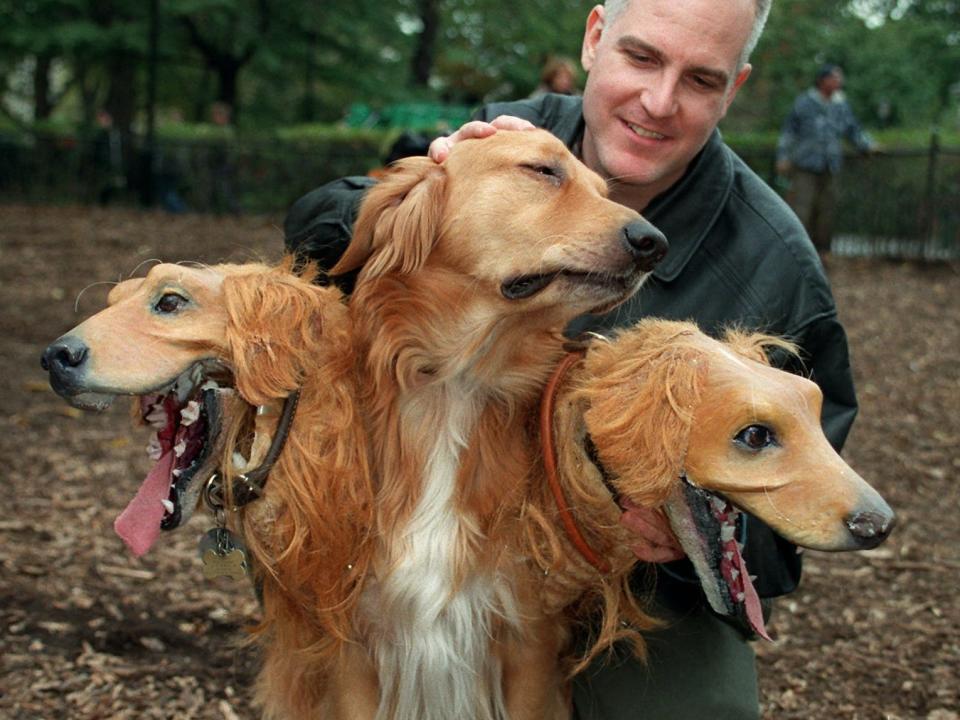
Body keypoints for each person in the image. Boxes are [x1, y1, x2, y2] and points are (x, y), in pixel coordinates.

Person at [282, 1, 858, 717]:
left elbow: (787, 527)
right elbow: (319, 238)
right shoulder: (506, 134)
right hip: (413, 489)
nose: (658, 101)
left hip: (625, 574)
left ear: (733, 89)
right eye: (642, 58)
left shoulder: (776, 268)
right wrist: (431, 182)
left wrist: (696, 538)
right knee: (304, 546)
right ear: (594, 38)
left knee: (697, 709)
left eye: (701, 80)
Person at [777, 64, 878, 257]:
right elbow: (788, 132)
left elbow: (852, 130)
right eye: (835, 78)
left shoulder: (841, 105)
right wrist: (783, 156)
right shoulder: (805, 102)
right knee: (802, 208)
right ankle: (796, 253)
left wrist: (867, 145)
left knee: (827, 211)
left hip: (830, 165)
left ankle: (822, 253)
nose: (839, 82)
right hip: (805, 165)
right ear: (822, 80)